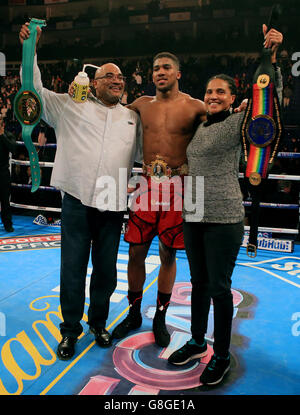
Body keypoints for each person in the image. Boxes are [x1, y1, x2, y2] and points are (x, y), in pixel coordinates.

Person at [168, 25, 283, 386]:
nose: (213, 96)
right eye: (209, 91)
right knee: (199, 284)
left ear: (233, 97)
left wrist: (272, 60)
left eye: (220, 91)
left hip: (224, 217)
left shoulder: (240, 121)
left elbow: (270, 101)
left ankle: (220, 356)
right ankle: (198, 341)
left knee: (219, 287)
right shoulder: (201, 125)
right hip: (195, 214)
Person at [19, 23, 142, 360]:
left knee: (105, 271)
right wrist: (31, 50)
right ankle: (70, 330)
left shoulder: (133, 119)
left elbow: (154, 151)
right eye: (110, 76)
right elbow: (35, 90)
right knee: (72, 268)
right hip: (75, 200)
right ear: (94, 81)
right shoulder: (69, 107)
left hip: (112, 204)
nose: (117, 81)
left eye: (121, 78)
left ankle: (99, 323)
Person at [112, 52, 207, 347]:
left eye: (166, 67)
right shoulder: (140, 104)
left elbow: (223, 125)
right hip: (146, 183)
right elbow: (108, 118)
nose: (159, 72)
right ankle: (133, 313)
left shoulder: (195, 106)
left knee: (169, 253)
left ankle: (160, 317)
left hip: (179, 185)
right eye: (155, 69)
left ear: (178, 73)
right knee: (135, 252)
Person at [0, 115, 16, 232]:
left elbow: (13, 149)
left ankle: (8, 224)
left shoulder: (8, 135)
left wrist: (1, 135)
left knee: (5, 200)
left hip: (3, 172)